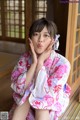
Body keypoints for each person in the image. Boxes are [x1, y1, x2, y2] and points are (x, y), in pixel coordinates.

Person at [9, 18, 71, 120]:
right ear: (30, 38)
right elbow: (19, 88)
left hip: (49, 103)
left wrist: (40, 62)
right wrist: (34, 64)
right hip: (25, 100)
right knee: (26, 98)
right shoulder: (24, 58)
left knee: (40, 105)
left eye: (46, 35)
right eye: (36, 34)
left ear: (53, 40)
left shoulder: (63, 64)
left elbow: (46, 95)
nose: (40, 39)